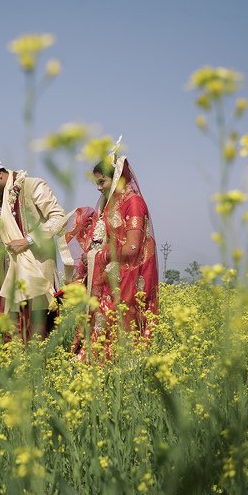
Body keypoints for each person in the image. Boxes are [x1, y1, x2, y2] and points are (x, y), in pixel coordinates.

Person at [0, 130, 69, 340]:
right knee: (0, 325)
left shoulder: (32, 186)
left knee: (35, 326)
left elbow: (58, 217)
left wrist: (28, 240)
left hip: (33, 264)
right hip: (3, 268)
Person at [66, 150, 158, 358]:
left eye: (102, 182)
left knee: (118, 329)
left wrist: (99, 256)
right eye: (96, 184)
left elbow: (133, 248)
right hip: (111, 274)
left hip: (128, 276)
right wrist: (92, 254)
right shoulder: (113, 203)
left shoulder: (133, 203)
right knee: (101, 325)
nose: (99, 188)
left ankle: (113, 371)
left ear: (117, 178)